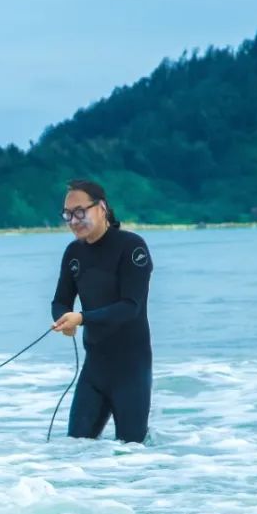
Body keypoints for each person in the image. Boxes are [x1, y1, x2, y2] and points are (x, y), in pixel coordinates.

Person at [51, 179, 153, 443]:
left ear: (102, 208)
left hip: (131, 369)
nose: (73, 221)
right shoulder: (73, 253)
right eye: (68, 214)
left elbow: (131, 307)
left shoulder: (131, 247)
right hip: (94, 370)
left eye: (79, 212)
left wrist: (81, 318)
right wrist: (64, 320)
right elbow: (60, 301)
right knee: (74, 448)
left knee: (131, 451)